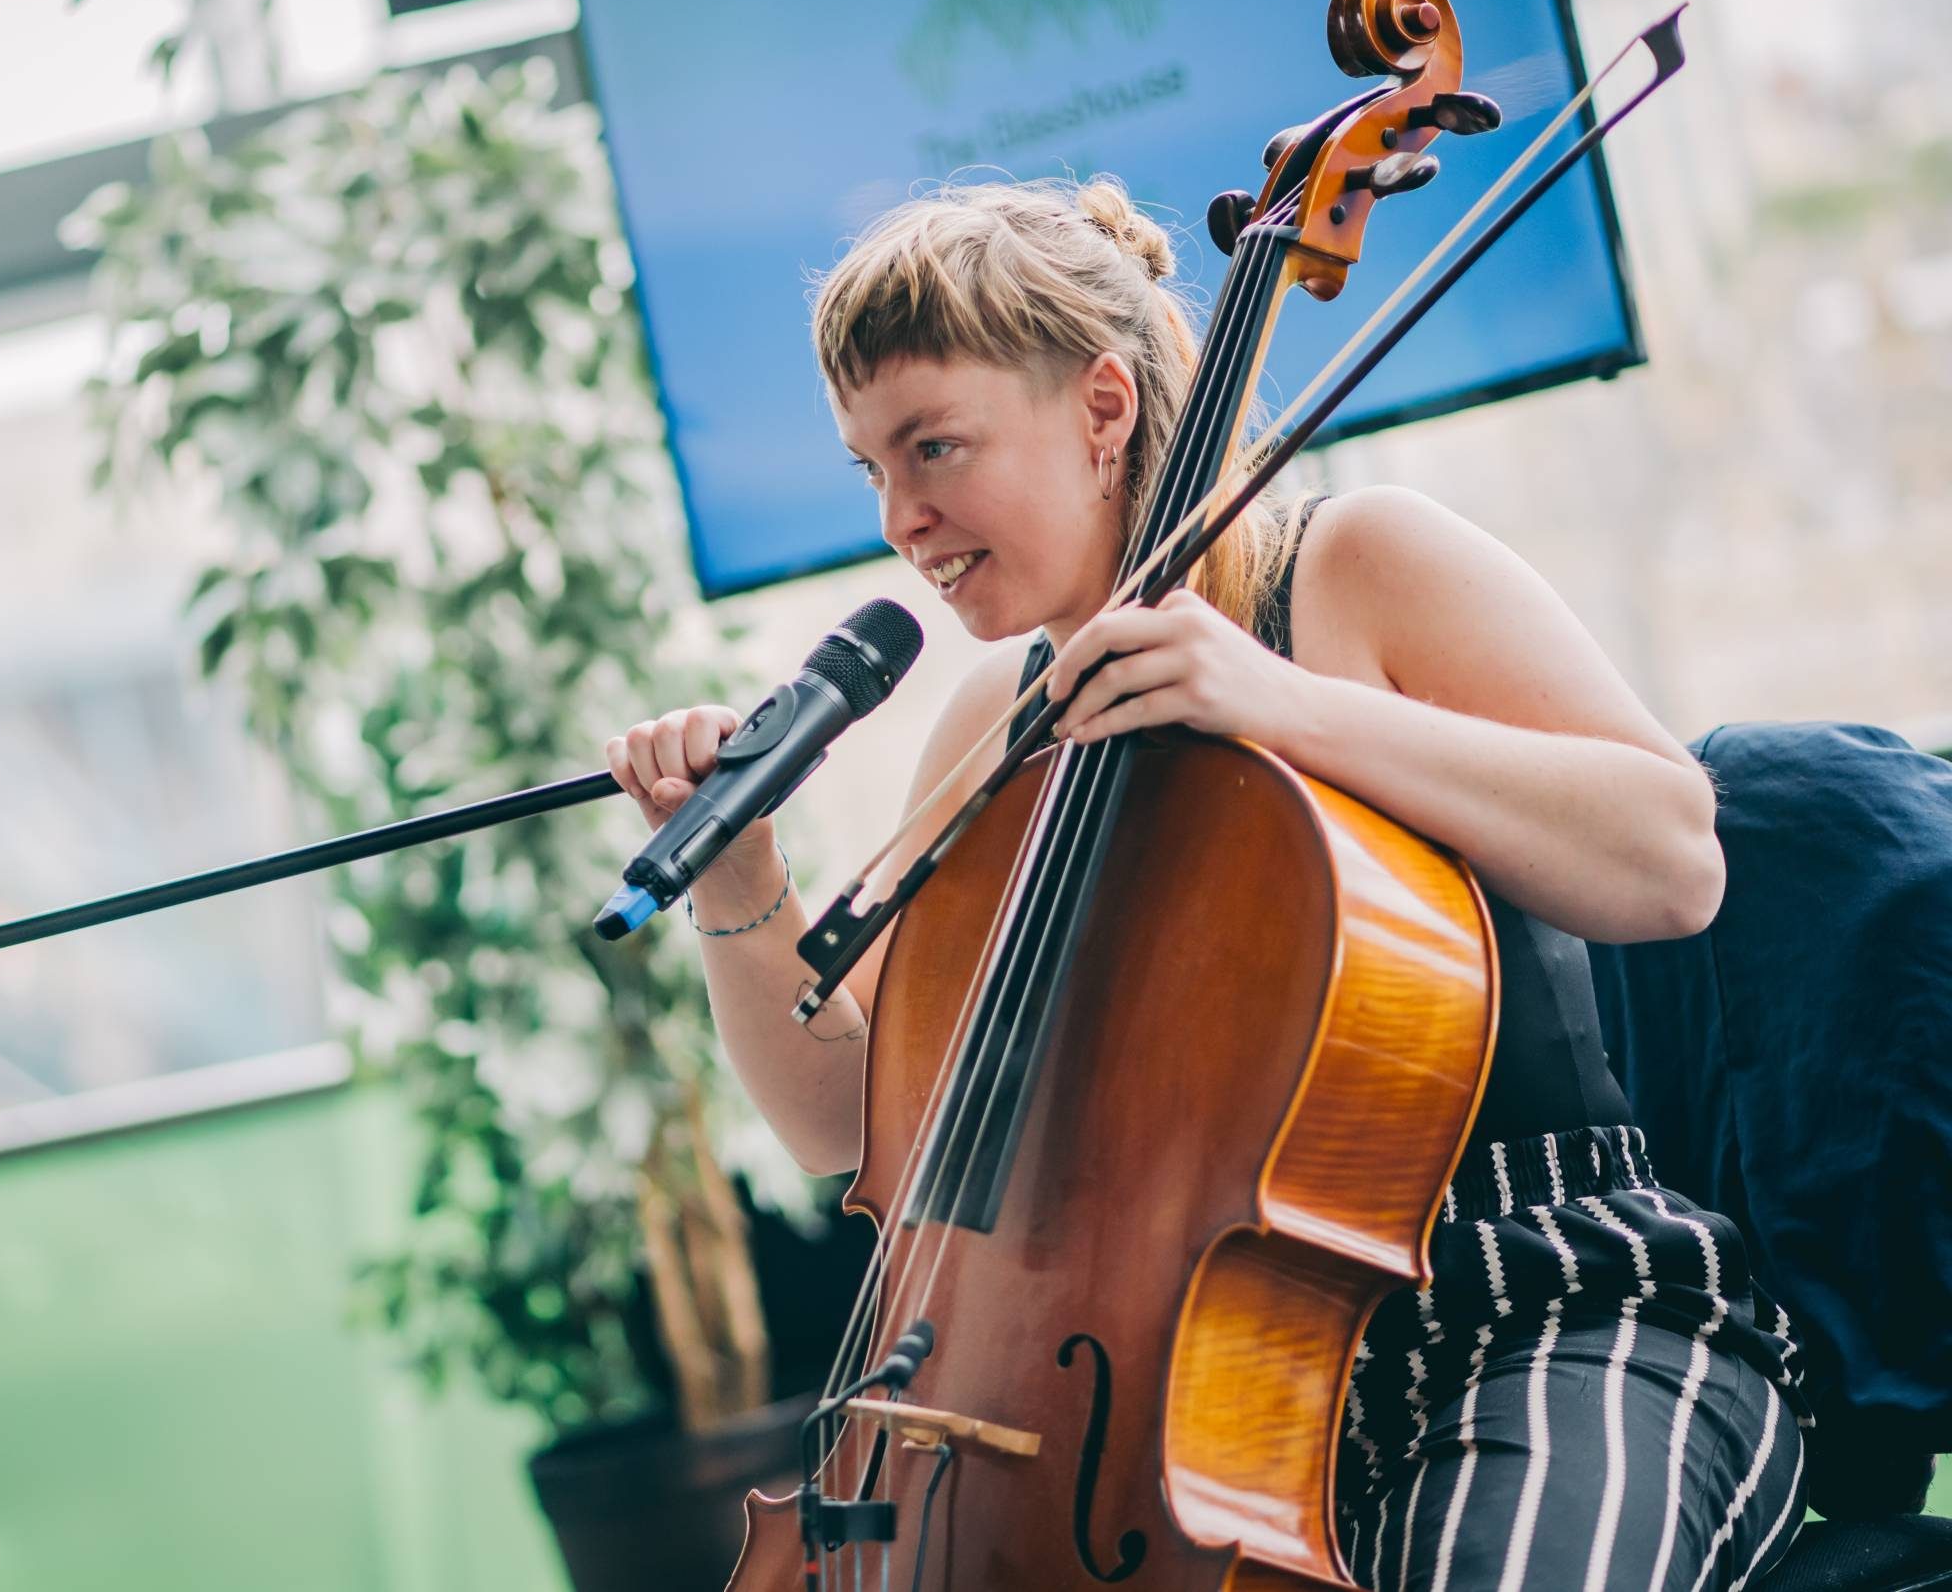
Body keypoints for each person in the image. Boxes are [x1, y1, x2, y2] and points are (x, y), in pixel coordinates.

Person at [603, 176, 1809, 1590]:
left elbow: (1672, 858)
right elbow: (838, 1120)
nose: (901, 520)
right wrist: (738, 873)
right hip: (1198, 1402)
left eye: (934, 447)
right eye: (871, 468)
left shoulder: (1356, 565)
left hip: (1545, 1321)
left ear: (1102, 408)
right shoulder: (995, 725)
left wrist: (1277, 702)